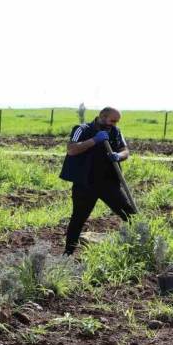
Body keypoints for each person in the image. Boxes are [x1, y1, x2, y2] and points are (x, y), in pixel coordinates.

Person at [59, 107, 136, 255]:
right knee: (78, 219)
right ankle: (67, 254)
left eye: (116, 121)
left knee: (130, 214)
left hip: (109, 183)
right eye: (112, 120)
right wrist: (94, 140)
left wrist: (119, 156)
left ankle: (138, 247)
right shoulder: (82, 129)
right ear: (102, 117)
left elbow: (125, 151)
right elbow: (71, 149)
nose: (114, 124)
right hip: (85, 183)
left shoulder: (116, 131)